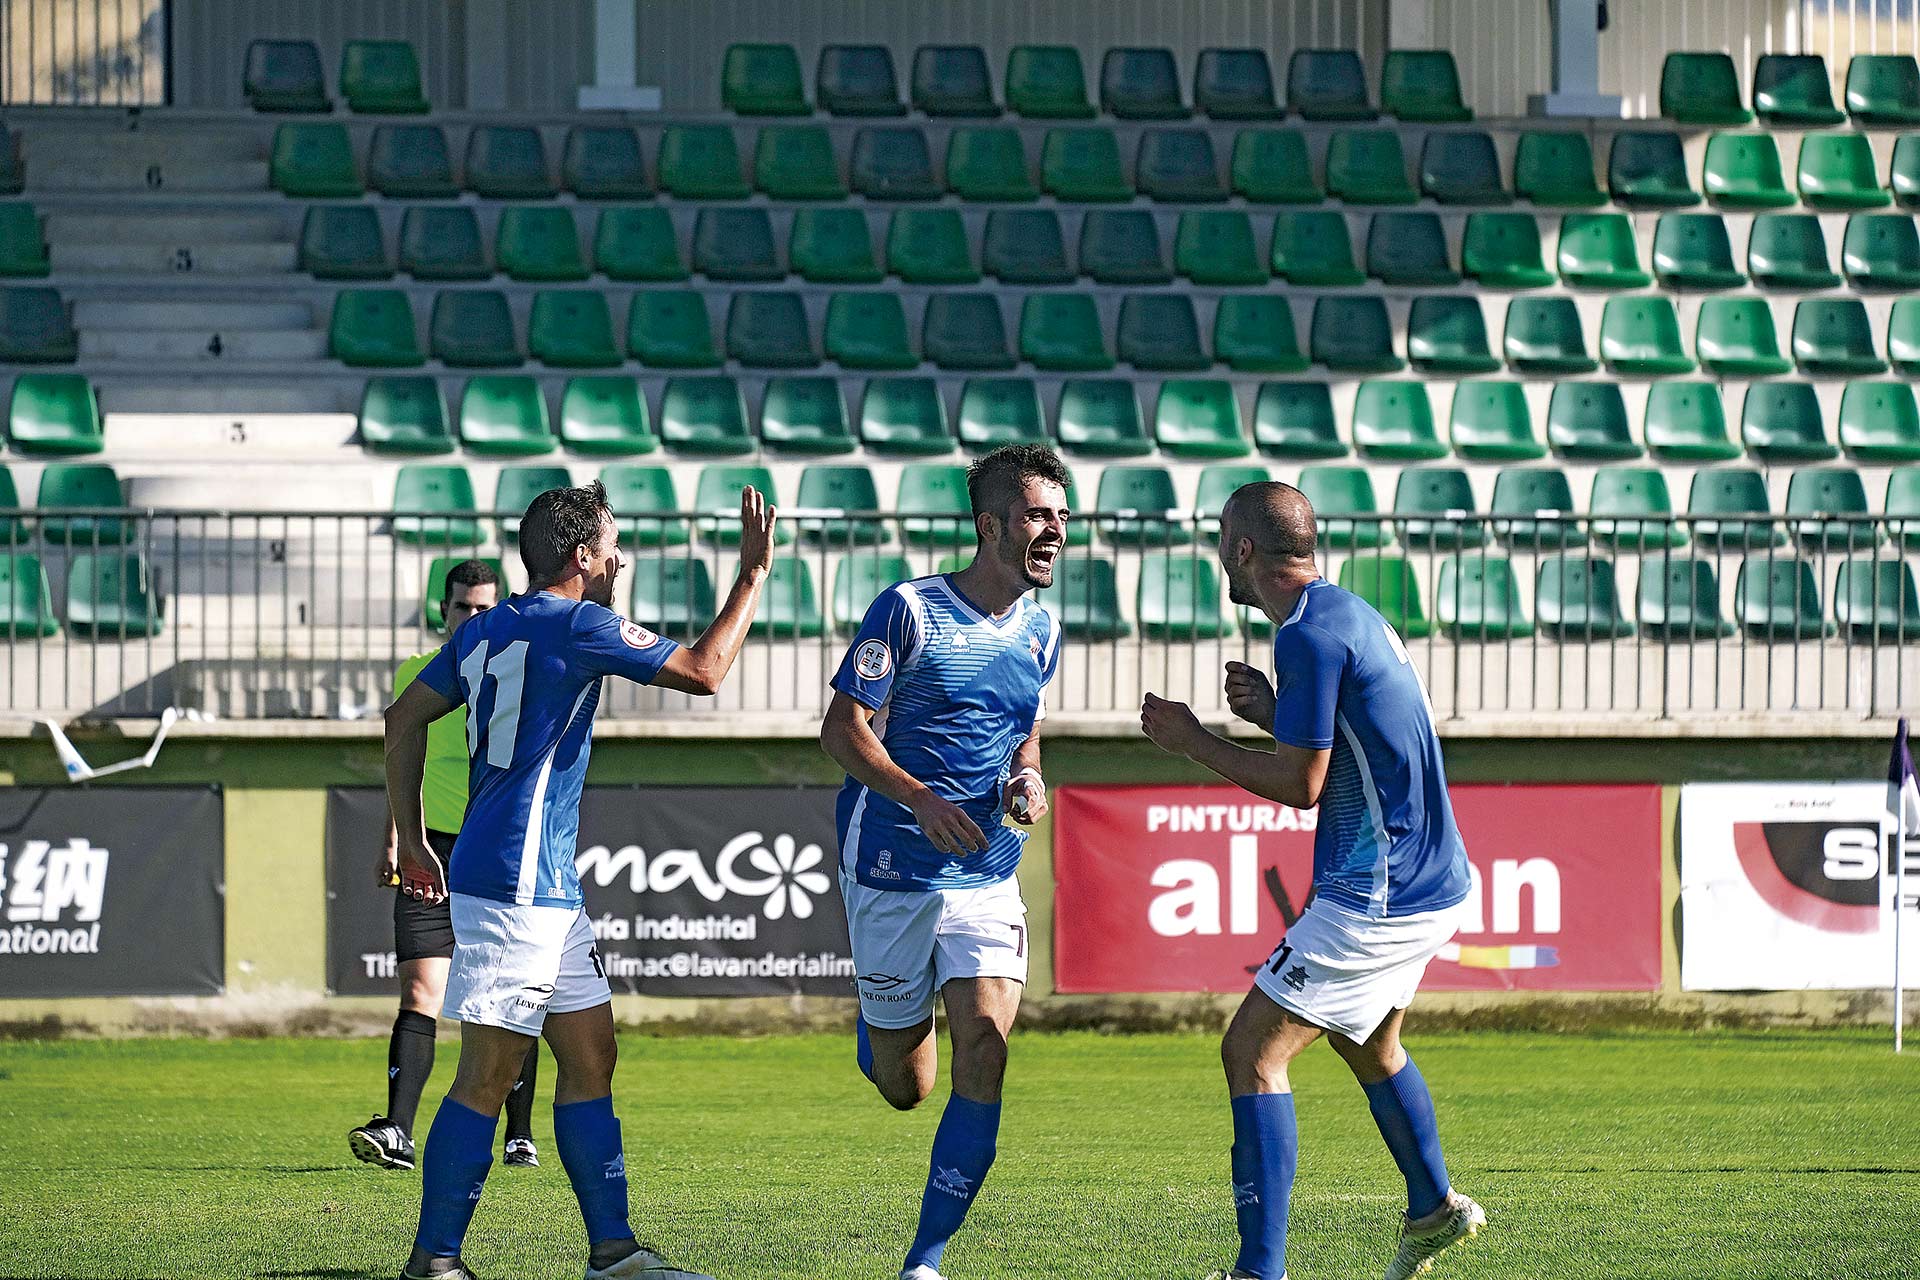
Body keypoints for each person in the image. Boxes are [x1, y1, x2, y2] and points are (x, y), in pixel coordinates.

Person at [384, 480, 776, 1280]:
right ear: (580, 556)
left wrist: (417, 839)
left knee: (592, 1055)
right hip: (515, 880)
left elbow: (401, 719)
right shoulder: (579, 623)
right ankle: (435, 1259)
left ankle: (613, 1252)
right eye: (611, 544)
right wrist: (750, 578)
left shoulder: (487, 628)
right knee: (488, 1075)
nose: (620, 556)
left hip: (540, 881)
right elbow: (705, 672)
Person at [1138, 481, 1485, 1280]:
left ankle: (1259, 1273)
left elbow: (1304, 787)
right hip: (1435, 875)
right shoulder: (1346, 612)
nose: (1219, 551)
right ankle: (1432, 1209)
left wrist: (1194, 740)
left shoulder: (1305, 639)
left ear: (1244, 551)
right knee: (1372, 1044)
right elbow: (1364, 739)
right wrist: (1275, 715)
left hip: (1380, 891)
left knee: (1253, 1052)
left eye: (1223, 537)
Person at [818, 444, 1069, 1280]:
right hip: (892, 867)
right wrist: (920, 796)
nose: (1056, 531)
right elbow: (842, 730)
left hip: (989, 874)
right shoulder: (908, 610)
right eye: (1039, 515)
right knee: (907, 1086)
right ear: (990, 524)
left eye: (1062, 516)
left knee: (988, 1052)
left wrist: (1027, 778)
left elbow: (1024, 730)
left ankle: (922, 1263)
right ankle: (880, 1031)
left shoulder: (1044, 627)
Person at [351, 559, 543, 1173]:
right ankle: (398, 1133)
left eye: (485, 608)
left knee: (508, 996)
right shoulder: (419, 676)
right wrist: (396, 838)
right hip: (429, 848)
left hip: (496, 849)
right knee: (420, 989)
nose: (473, 617)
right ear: (445, 611)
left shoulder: (516, 672)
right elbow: (402, 761)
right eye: (463, 607)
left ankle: (519, 1133)